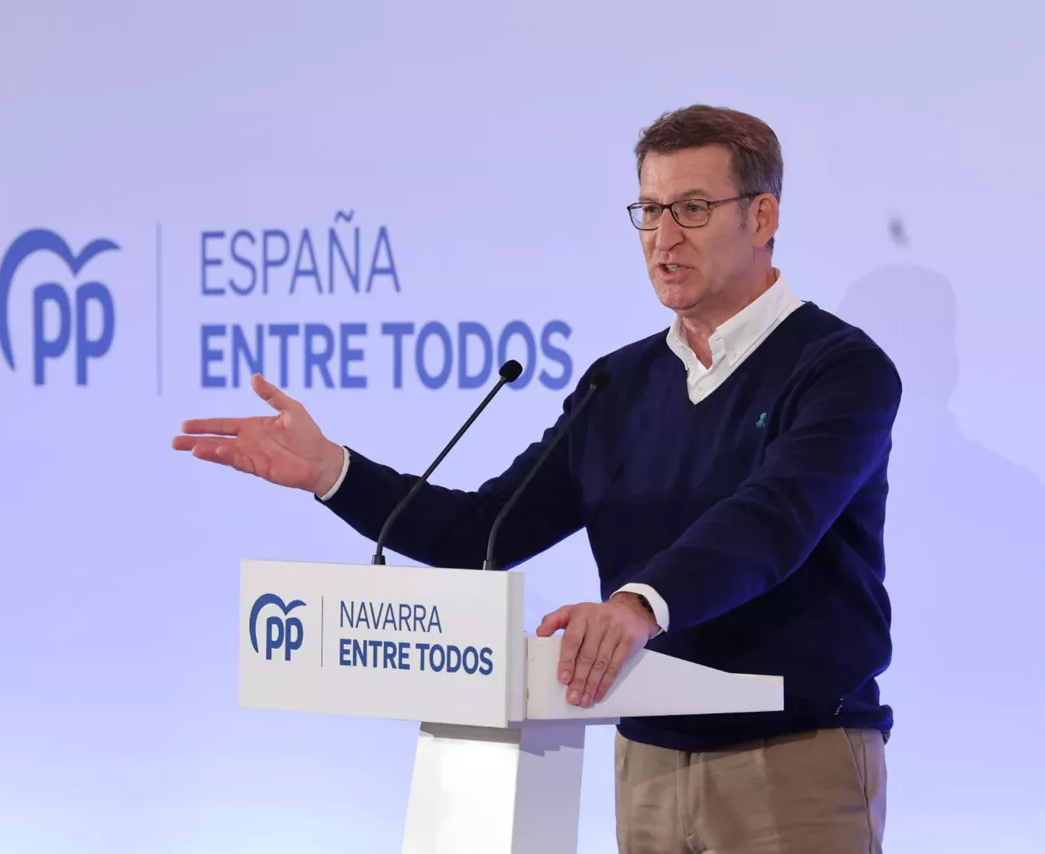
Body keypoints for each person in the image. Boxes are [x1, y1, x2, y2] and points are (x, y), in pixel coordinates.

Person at [174, 104, 900, 854]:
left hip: (791, 755)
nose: (663, 238)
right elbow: (487, 531)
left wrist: (635, 606)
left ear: (762, 216)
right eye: (648, 211)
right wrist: (334, 473)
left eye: (691, 208)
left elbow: (771, 520)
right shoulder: (617, 384)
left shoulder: (838, 368)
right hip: (647, 756)